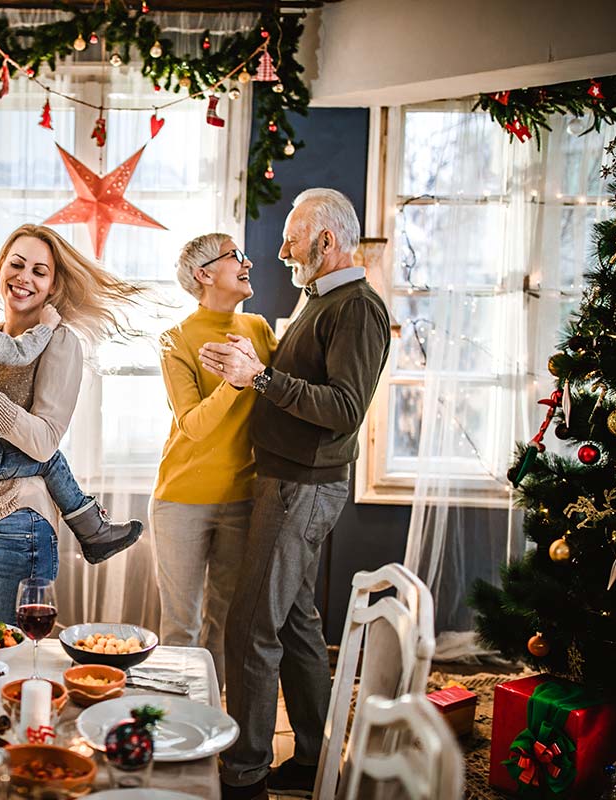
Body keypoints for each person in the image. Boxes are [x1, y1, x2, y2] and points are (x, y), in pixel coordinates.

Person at [201, 188, 390, 800]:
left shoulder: (357, 308)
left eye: (292, 237)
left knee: (250, 628)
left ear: (326, 241)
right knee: (299, 623)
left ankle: (245, 773)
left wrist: (258, 376)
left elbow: (342, 410)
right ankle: (313, 758)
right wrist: (257, 367)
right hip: (290, 482)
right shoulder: (325, 300)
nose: (281, 251)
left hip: (301, 489)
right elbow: (305, 385)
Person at [0, 224, 145, 624]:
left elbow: (43, 444)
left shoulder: (59, 342)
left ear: (53, 287)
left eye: (39, 271)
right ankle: (90, 523)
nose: (24, 277)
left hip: (13, 529)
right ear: (0, 269)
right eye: (17, 264)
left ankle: (89, 524)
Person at [151, 233, 276, 689]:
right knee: (181, 627)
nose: (248, 262)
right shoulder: (175, 340)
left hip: (244, 498)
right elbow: (194, 425)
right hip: (181, 500)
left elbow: (284, 392)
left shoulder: (259, 330)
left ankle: (211, 729)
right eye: (235, 256)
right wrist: (236, 381)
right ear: (205, 274)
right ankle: (175, 722)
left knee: (223, 626)